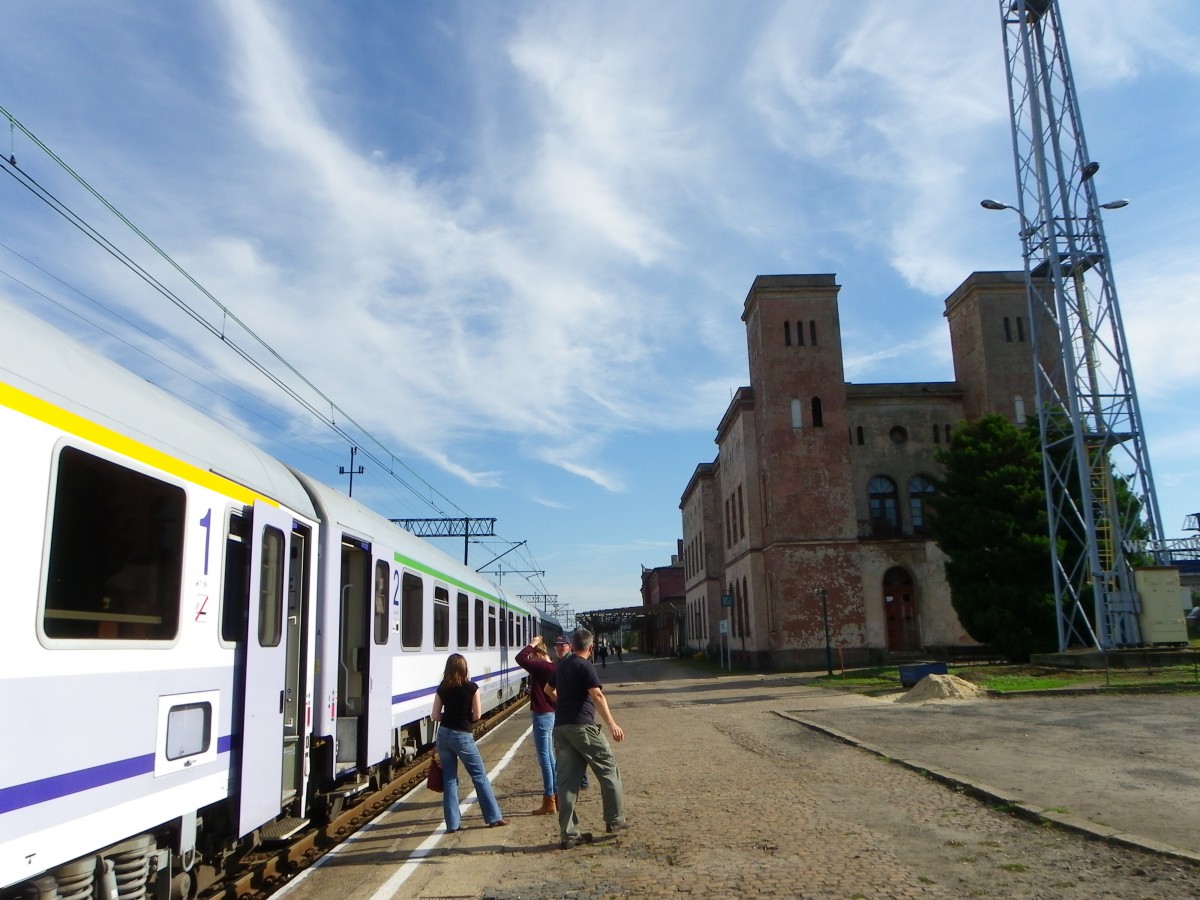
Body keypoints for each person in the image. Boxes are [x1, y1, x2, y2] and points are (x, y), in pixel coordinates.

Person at [548, 628, 629, 849]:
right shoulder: (585, 666)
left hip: (561, 727)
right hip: (583, 727)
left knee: (567, 782)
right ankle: (615, 819)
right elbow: (597, 695)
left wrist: (563, 703)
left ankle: (568, 834)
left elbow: (548, 689)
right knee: (608, 769)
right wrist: (612, 724)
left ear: (573, 645)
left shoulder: (562, 665)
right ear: (591, 648)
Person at [431, 653, 508, 832]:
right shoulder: (472, 688)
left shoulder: (442, 688)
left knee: (449, 779)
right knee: (479, 776)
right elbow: (477, 715)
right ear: (464, 668)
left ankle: (452, 824)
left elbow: (434, 716)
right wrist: (463, 716)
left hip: (444, 736)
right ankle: (494, 817)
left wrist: (449, 716)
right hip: (462, 736)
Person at [516, 635, 557, 815]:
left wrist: (531, 645)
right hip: (551, 713)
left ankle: (549, 800)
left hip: (541, 715)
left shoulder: (540, 666)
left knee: (544, 758)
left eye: (533, 656)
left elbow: (520, 658)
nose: (531, 659)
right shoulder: (554, 667)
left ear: (539, 654)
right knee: (550, 757)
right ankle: (556, 795)